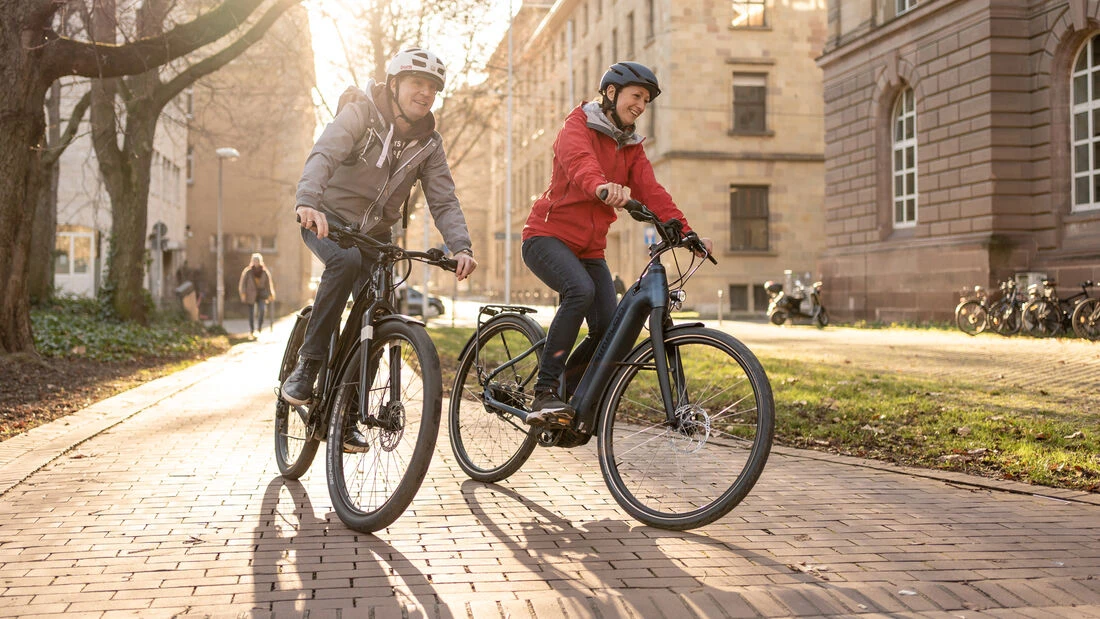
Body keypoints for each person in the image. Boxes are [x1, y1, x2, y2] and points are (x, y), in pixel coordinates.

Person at [281, 47, 478, 413]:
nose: (425, 93)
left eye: (433, 88)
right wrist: (307, 201)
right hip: (326, 219)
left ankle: (348, 416)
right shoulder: (361, 114)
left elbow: (444, 200)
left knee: (378, 313)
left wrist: (461, 246)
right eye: (417, 83)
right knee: (345, 262)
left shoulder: (429, 145)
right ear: (394, 84)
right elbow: (324, 153)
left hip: (375, 235)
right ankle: (308, 365)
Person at [520, 61, 713, 428]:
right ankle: (544, 391)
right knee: (580, 290)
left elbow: (652, 191)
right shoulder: (577, 125)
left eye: (646, 101)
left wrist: (687, 233)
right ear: (611, 93)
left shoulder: (631, 146)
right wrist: (601, 186)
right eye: (636, 96)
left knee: (610, 328)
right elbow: (580, 163)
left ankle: (568, 397)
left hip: (590, 249)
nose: (640, 105)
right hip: (546, 237)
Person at [238, 253, 275, 338]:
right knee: (251, 313)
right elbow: (243, 284)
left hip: (261, 294)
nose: (256, 262)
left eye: (257, 261)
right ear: (252, 261)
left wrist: (271, 294)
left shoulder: (264, 272)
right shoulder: (248, 271)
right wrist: (243, 294)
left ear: (260, 261)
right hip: (250, 294)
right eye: (254, 261)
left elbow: (268, 284)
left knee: (262, 310)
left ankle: (259, 327)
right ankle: (252, 329)